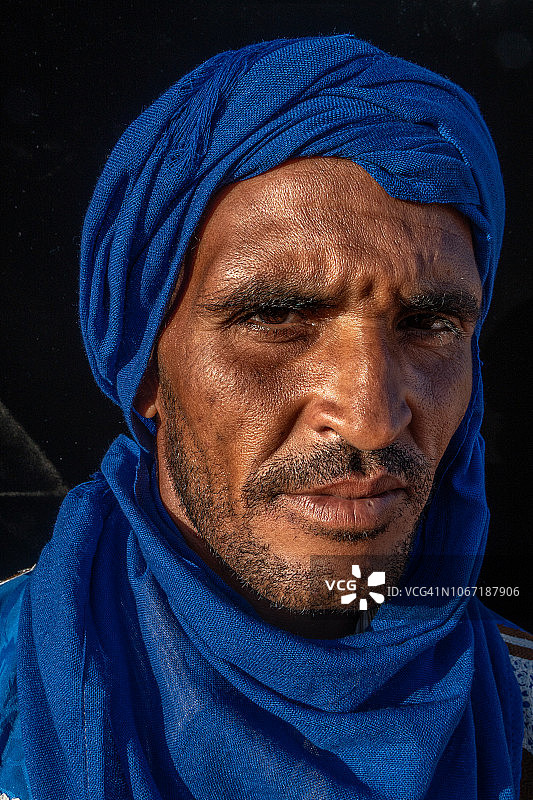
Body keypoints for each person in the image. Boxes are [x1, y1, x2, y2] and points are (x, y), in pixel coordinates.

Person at [0, 34, 531, 800]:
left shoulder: (514, 705)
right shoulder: (18, 688)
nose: (371, 419)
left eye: (431, 324)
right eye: (276, 316)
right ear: (144, 366)